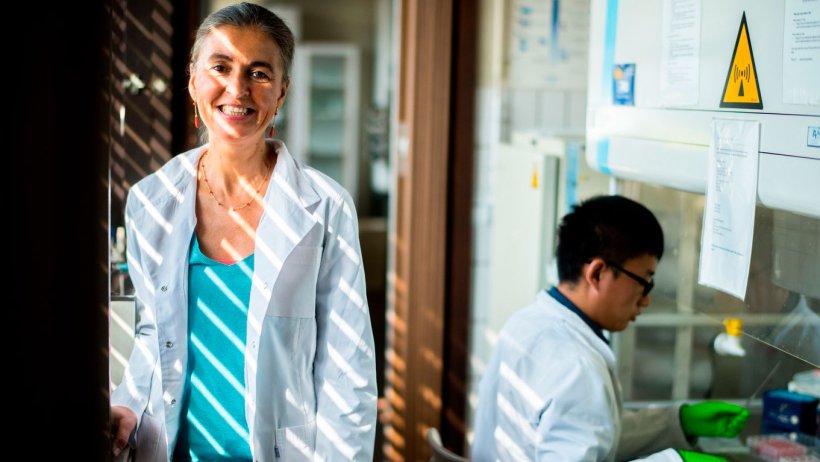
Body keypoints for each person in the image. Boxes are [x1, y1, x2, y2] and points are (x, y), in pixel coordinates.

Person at [110, 3, 377, 461]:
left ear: (282, 93)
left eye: (259, 72)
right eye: (221, 67)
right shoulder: (150, 202)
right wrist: (130, 407)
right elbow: (155, 332)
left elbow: (346, 366)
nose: (238, 89)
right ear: (193, 81)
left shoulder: (326, 207)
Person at [471, 195, 748, 462]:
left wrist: (676, 422)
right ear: (597, 273)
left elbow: (588, 431)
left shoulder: (527, 322)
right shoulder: (577, 368)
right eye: (644, 281)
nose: (646, 299)